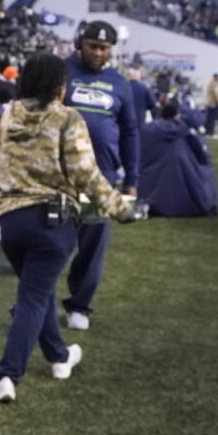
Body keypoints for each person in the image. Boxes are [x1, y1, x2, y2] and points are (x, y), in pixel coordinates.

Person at [0, 52, 141, 403]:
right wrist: (121, 208)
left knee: (36, 293)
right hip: (51, 221)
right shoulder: (68, 117)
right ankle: (6, 375)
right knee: (30, 299)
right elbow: (86, 173)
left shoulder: (9, 114)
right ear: (60, 87)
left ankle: (59, 356)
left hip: (11, 219)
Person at [61, 20, 139, 331]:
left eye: (104, 48)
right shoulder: (61, 71)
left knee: (92, 244)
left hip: (103, 177)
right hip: (60, 174)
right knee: (48, 239)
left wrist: (132, 178)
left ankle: (79, 305)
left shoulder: (119, 82)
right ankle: (31, 301)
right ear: (80, 43)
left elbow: (130, 132)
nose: (98, 52)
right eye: (93, 45)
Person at [139, 101, 218, 217]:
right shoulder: (185, 131)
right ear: (176, 115)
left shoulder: (148, 130)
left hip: (152, 180)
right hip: (182, 175)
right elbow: (203, 154)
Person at [204, 73, 218, 139]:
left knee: (209, 118)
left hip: (210, 103)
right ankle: (210, 133)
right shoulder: (214, 84)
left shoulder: (211, 83)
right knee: (212, 119)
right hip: (213, 103)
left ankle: (208, 132)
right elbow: (217, 94)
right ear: (216, 77)